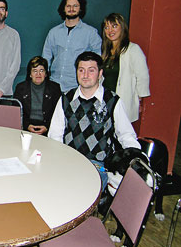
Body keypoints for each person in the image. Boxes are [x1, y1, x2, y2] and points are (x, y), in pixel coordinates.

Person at [48, 52, 140, 191]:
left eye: (91, 70)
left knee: (79, 190)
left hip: (98, 166)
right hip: (69, 160)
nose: (85, 75)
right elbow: (55, 135)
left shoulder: (112, 101)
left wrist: (137, 158)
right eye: (81, 70)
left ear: (100, 73)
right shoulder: (66, 99)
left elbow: (126, 135)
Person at [42, 0, 102, 92]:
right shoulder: (54, 32)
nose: (71, 9)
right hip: (54, 85)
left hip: (77, 87)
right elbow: (46, 57)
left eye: (75, 6)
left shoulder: (90, 33)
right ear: (63, 9)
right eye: (68, 6)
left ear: (81, 9)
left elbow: (98, 58)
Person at [101, 13, 150, 123]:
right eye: (106, 27)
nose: (110, 30)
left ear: (122, 28)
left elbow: (142, 76)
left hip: (123, 100)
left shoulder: (133, 49)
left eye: (114, 26)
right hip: (105, 100)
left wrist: (139, 100)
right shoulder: (105, 52)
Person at [13, 56, 61, 135]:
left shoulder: (54, 88)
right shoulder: (21, 88)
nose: (38, 74)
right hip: (26, 128)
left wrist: (47, 126)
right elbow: (16, 112)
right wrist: (27, 125)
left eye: (41, 70)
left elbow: (58, 113)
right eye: (35, 71)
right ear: (30, 74)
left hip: (48, 128)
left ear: (45, 73)